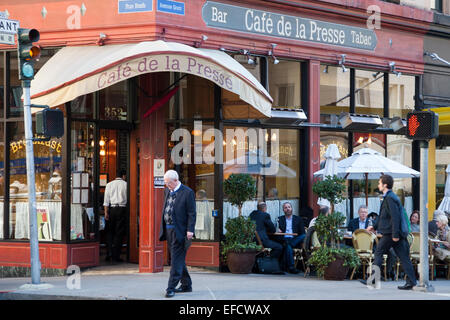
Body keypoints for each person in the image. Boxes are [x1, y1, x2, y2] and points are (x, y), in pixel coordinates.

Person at [365, 174, 417, 290]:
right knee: (404, 257)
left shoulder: (390, 198)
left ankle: (373, 279)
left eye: (379, 183)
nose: (378, 185)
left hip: (391, 234)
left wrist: (395, 235)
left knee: (378, 252)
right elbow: (384, 216)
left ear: (385, 185)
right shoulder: (388, 197)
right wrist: (374, 226)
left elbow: (395, 217)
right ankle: (411, 282)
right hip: (393, 234)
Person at [159, 170, 196, 298]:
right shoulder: (167, 191)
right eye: (165, 183)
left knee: (175, 260)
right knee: (178, 258)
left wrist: (190, 230)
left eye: (168, 183)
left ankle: (171, 287)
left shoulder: (188, 192)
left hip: (180, 231)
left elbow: (192, 213)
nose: (167, 185)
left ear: (176, 180)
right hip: (168, 230)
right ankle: (186, 285)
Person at [103, 169, 127, 263]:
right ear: (123, 176)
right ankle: (116, 255)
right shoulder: (126, 184)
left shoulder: (109, 184)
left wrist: (106, 212)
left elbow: (106, 201)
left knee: (110, 232)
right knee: (119, 233)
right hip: (122, 209)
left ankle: (109, 253)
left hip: (112, 209)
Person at [276, 202, 306, 274]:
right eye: (285, 208)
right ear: (283, 210)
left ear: (292, 208)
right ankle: (291, 267)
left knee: (304, 235)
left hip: (294, 239)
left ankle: (289, 267)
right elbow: (276, 230)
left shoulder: (298, 219)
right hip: (284, 239)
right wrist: (277, 229)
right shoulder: (280, 219)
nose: (287, 209)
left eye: (289, 207)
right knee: (288, 246)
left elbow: (302, 232)